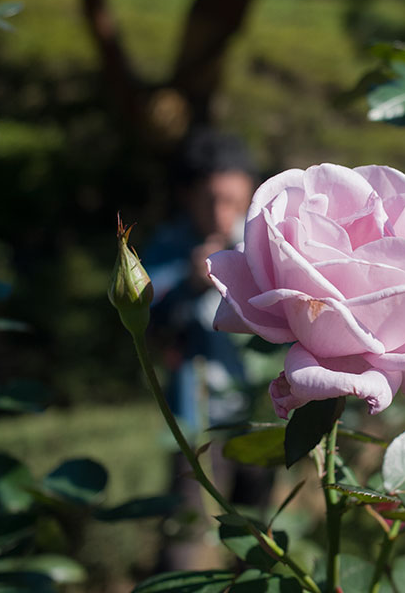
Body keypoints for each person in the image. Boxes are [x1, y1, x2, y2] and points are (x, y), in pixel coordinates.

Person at [143, 128, 264, 570]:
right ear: (186, 195)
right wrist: (188, 288)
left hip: (260, 412)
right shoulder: (169, 248)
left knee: (261, 543)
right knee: (185, 540)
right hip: (197, 421)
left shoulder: (263, 244)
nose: (220, 213)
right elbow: (143, 321)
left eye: (232, 200)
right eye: (209, 199)